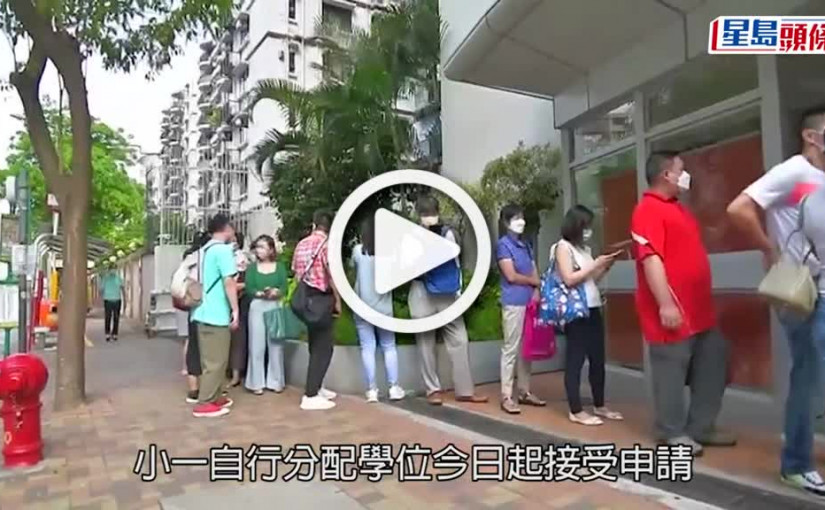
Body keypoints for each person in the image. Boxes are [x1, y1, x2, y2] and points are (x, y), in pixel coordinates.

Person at [727, 106, 825, 495]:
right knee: (808, 376)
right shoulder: (794, 171)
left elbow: (800, 210)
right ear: (811, 136)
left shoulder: (811, 181)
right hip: (804, 293)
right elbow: (739, 208)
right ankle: (796, 464)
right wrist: (770, 249)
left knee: (811, 374)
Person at [631, 151, 734, 456]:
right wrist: (665, 304)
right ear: (667, 175)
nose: (685, 175)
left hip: (700, 312)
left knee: (714, 360)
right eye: (681, 169)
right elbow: (651, 259)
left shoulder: (679, 208)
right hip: (672, 312)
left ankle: (701, 427)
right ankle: (671, 432)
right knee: (671, 372)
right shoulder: (647, 210)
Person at [408, 195, 488, 406]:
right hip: (422, 291)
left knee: (460, 338)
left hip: (447, 291)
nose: (430, 217)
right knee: (425, 342)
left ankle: (465, 390)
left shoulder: (448, 233)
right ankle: (432, 389)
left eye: (432, 213)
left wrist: (459, 290)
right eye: (426, 214)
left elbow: (455, 262)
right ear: (419, 215)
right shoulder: (411, 236)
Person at [554, 205, 622, 426]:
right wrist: (594, 265)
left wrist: (604, 267)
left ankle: (599, 404)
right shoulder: (563, 247)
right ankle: (576, 410)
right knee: (575, 359)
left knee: (597, 358)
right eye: (585, 226)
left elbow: (591, 280)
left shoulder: (585, 249)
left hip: (593, 307)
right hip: (576, 310)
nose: (588, 231)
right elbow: (569, 279)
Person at [495, 204, 546, 414]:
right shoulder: (503, 245)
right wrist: (533, 282)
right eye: (516, 218)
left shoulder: (525, 245)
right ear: (506, 222)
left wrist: (537, 289)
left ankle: (524, 391)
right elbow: (511, 276)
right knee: (511, 348)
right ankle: (506, 395)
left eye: (522, 217)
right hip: (513, 302)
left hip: (529, 302)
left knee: (527, 348)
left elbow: (534, 270)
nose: (521, 222)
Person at [351, 218, 405, 403]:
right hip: (384, 309)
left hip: (362, 308)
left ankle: (372, 390)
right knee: (389, 346)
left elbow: (354, 270)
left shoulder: (358, 251)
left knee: (368, 347)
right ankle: (394, 388)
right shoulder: (390, 255)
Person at [191, 214, 239, 418]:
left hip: (202, 311)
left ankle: (215, 395)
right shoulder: (223, 250)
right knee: (216, 361)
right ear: (226, 228)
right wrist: (235, 309)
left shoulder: (204, 250)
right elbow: (229, 282)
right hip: (216, 313)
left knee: (211, 359)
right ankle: (205, 402)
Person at [292, 210, 341, 411]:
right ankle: (311, 394)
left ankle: (317, 386)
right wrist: (338, 301)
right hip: (321, 298)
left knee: (315, 343)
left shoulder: (302, 244)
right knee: (324, 347)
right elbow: (333, 276)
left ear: (314, 225)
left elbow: (296, 274)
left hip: (306, 298)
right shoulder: (328, 246)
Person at [244, 234, 288, 395]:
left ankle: (276, 381)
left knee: (276, 344)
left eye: (262, 247)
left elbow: (284, 287)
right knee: (256, 345)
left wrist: (277, 292)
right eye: (257, 247)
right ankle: (256, 382)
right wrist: (260, 293)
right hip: (257, 305)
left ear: (271, 249)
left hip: (275, 305)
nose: (259, 250)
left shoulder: (280, 267)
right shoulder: (252, 268)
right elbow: (249, 288)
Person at [182, 232, 210, 403]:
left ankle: (193, 389)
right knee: (210, 352)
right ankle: (209, 389)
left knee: (193, 347)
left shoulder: (189, 258)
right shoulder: (211, 258)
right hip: (211, 311)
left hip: (194, 309)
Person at [228, 232, 249, 387]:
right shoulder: (227, 257)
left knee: (237, 339)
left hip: (238, 302)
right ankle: (233, 372)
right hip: (232, 301)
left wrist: (233, 287)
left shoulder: (241, 259)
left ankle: (235, 374)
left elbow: (245, 283)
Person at [99, 265, 125, 342]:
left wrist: (125, 299)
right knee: (108, 317)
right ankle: (107, 333)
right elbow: (101, 289)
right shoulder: (105, 279)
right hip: (108, 300)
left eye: (114, 269)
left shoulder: (118, 278)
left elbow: (122, 288)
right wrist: (101, 298)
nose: (113, 270)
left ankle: (115, 333)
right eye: (111, 269)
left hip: (117, 300)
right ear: (109, 270)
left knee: (116, 317)